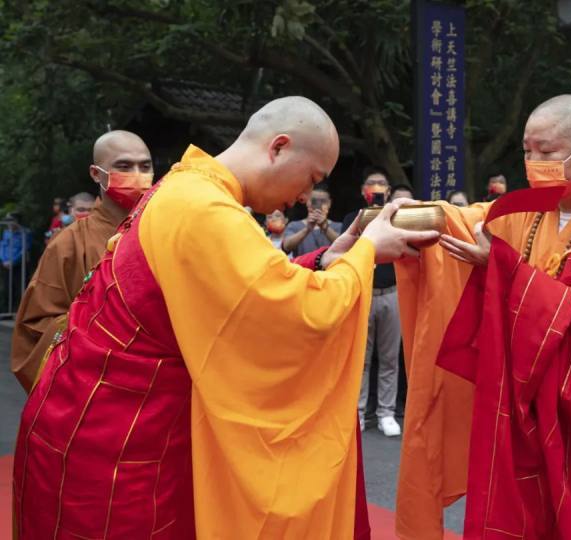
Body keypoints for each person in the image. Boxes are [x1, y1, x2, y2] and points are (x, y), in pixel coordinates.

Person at [12, 96, 438, 539]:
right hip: (117, 446)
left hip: (93, 423)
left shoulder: (188, 187)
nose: (303, 197)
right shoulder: (203, 208)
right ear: (278, 148)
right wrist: (368, 251)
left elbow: (249, 286)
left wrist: (329, 258)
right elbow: (299, 313)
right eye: (311, 178)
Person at [394, 95, 571, 538]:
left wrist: (504, 269)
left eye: (547, 152)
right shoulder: (528, 211)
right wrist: (398, 219)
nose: (533, 162)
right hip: (524, 415)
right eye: (527, 151)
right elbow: (466, 222)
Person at [10, 130, 153, 393]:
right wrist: (97, 333)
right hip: (95, 388)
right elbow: (35, 325)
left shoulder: (165, 232)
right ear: (96, 174)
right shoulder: (69, 243)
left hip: (158, 387)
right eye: (124, 166)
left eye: (145, 166)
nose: (138, 174)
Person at [342, 166, 402, 437]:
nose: (376, 188)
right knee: (361, 358)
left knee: (389, 357)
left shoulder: (399, 219)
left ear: (388, 191)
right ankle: (357, 410)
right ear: (363, 190)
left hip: (391, 292)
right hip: (364, 291)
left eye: (381, 184)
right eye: (371, 184)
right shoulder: (351, 218)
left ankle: (386, 413)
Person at [282, 184, 341, 257]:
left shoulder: (339, 226)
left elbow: (345, 247)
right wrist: (307, 229)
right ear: (307, 202)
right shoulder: (294, 225)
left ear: (329, 203)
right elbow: (286, 247)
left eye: (323, 201)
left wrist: (326, 228)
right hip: (301, 267)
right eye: (314, 201)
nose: (318, 204)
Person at [0, 214, 31, 313]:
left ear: (16, 221)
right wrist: (4, 260)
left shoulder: (25, 232)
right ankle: (6, 311)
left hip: (19, 265)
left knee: (20, 288)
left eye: (11, 221)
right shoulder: (6, 232)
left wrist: (13, 261)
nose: (9, 224)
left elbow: (24, 249)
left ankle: (19, 311)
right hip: (6, 264)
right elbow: (3, 247)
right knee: (7, 287)